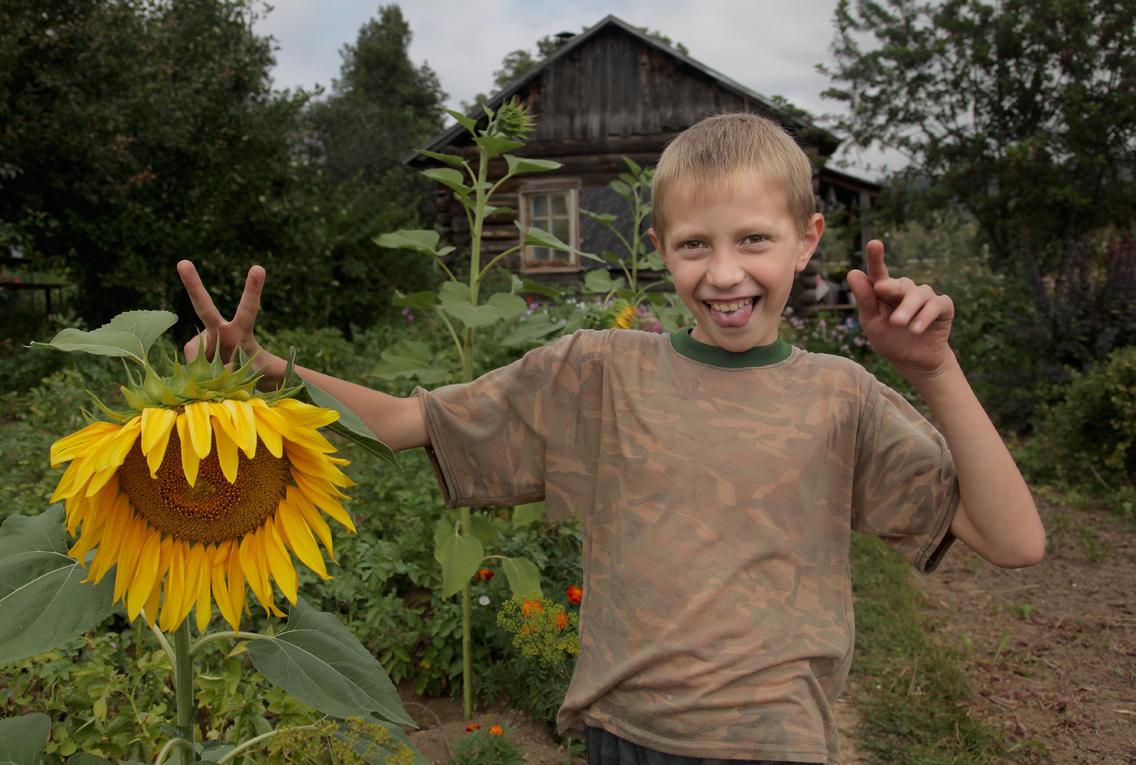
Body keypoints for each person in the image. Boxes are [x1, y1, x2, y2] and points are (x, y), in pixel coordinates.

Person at [176, 113, 1045, 765]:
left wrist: (932, 369)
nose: (725, 272)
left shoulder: (839, 396)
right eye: (695, 244)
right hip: (621, 733)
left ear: (807, 241)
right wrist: (269, 375)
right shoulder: (598, 373)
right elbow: (409, 423)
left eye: (754, 240)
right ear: (660, 248)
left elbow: (1013, 539)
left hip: (777, 738)